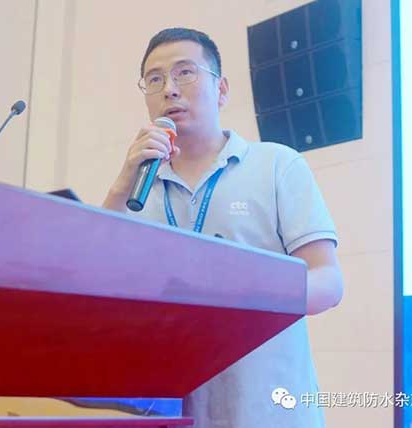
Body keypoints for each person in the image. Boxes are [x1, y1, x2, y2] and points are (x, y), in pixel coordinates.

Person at [102, 27, 344, 428]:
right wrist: (120, 185)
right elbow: (95, 281)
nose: (169, 89)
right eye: (155, 79)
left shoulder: (276, 165)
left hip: (268, 410)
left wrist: (247, 292)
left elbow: (329, 282)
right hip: (171, 410)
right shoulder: (137, 190)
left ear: (222, 89)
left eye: (185, 72)